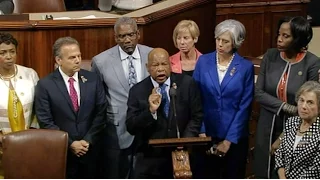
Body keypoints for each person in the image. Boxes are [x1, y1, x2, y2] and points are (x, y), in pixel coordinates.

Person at [253, 16, 320, 179]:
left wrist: (283, 136)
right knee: (263, 168)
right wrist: (287, 107)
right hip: (267, 122)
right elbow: (258, 93)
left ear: (298, 39)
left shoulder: (312, 62)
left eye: (286, 36)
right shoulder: (270, 55)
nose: (279, 39)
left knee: (286, 171)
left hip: (296, 126)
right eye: (279, 34)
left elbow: (309, 100)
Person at [34, 37, 107, 179]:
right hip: (62, 153)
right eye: (72, 57)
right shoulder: (45, 85)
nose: (78, 60)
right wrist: (70, 143)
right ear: (58, 60)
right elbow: (45, 120)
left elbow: (101, 112)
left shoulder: (92, 79)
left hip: (91, 151)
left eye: (79, 56)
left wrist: (88, 140)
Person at [126, 47, 203, 179]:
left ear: (170, 64)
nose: (160, 69)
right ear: (147, 67)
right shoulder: (137, 91)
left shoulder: (186, 84)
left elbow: (197, 116)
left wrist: (184, 141)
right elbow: (131, 126)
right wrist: (150, 111)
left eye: (164, 64)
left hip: (182, 158)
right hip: (150, 161)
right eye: (155, 65)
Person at [91, 16, 153, 179]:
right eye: (122, 36)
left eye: (131, 35)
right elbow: (98, 99)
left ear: (138, 34)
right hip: (116, 129)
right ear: (115, 37)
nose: (127, 40)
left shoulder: (152, 55)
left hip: (149, 126)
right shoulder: (100, 61)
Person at [193, 19, 254, 179]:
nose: (220, 44)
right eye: (218, 39)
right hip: (206, 135)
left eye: (225, 41)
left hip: (234, 137)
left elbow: (244, 106)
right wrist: (202, 132)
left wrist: (228, 141)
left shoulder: (245, 67)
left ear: (235, 43)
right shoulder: (203, 61)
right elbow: (195, 98)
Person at [0, 32, 39, 178]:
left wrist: (33, 133)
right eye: (3, 53)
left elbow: (38, 107)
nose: (9, 57)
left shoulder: (30, 74)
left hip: (28, 141)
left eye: (12, 52)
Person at [275, 81, 320, 179]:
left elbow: (316, 170)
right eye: (301, 100)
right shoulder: (291, 122)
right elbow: (279, 153)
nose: (303, 106)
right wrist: (282, 175)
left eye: (310, 102)